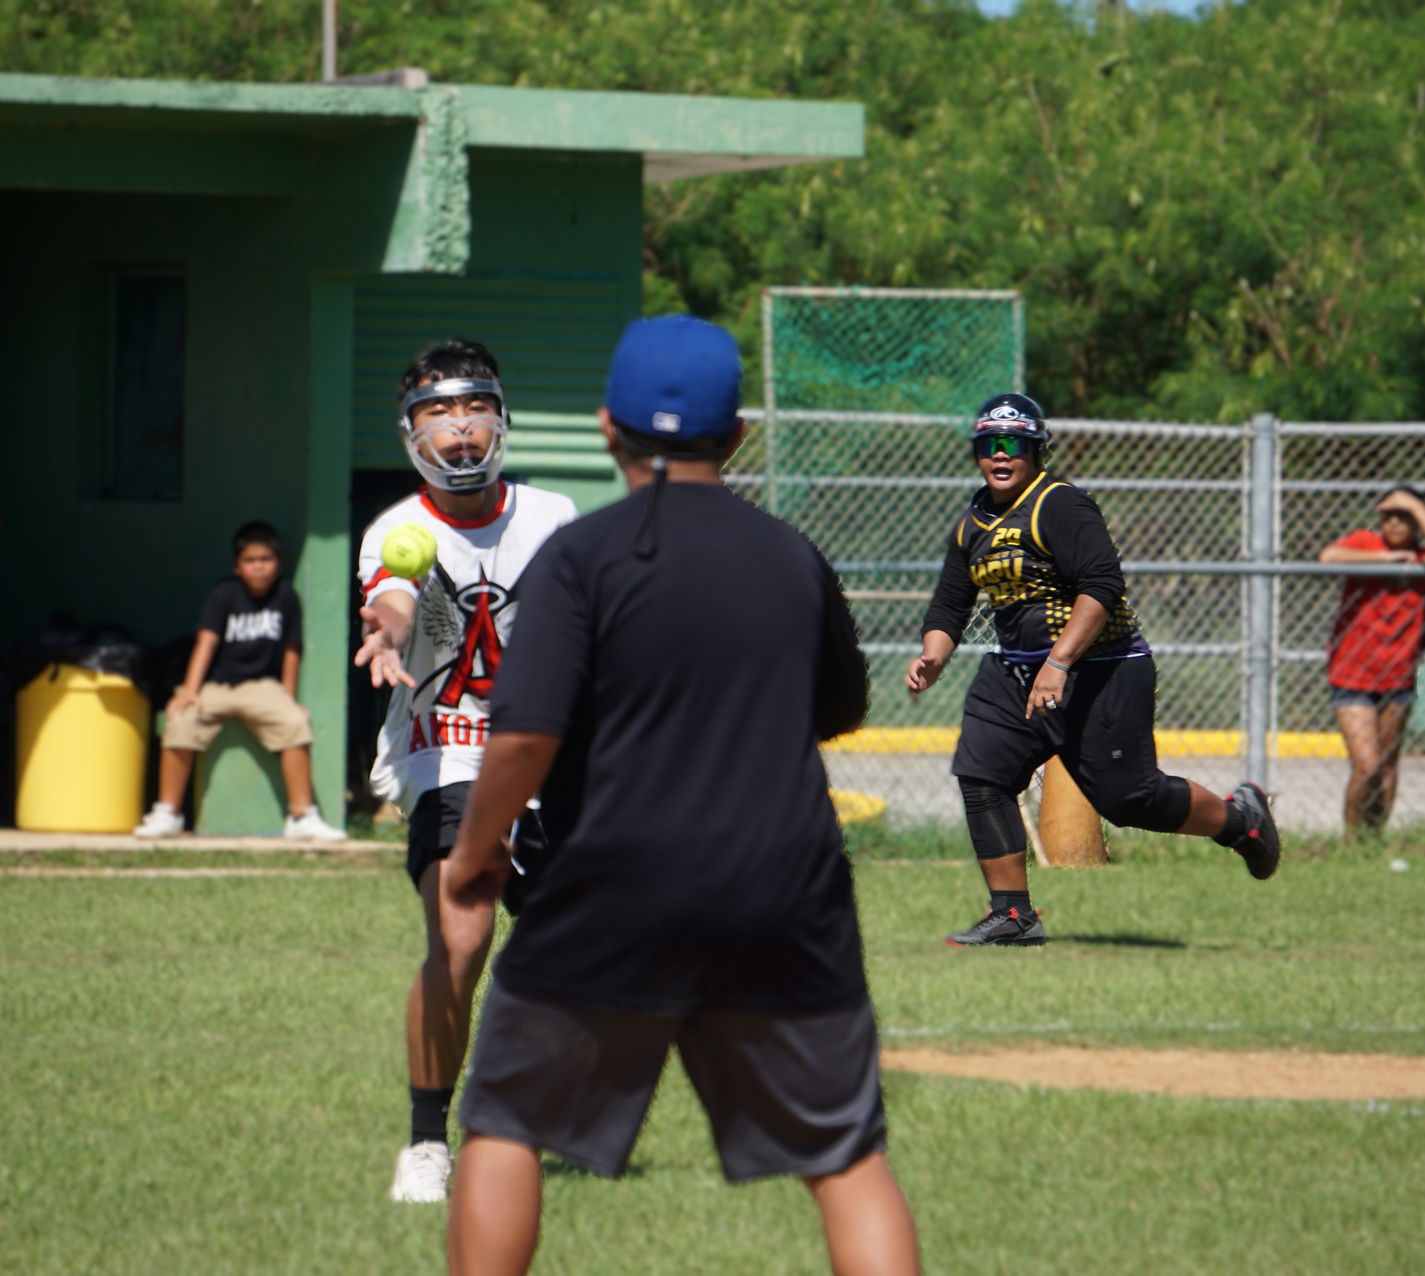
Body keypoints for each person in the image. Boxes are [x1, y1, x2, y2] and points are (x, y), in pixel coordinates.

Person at [440, 316, 919, 1275]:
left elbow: (527, 735)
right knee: (845, 1154)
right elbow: (837, 709)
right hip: (783, 889)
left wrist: (473, 851)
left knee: (503, 1120)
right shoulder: (792, 558)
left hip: (611, 887)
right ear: (737, 435)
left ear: (608, 428)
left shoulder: (581, 558)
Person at [905, 393, 1281, 948]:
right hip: (1015, 673)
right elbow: (949, 606)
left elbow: (1102, 586)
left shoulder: (1059, 504)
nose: (1000, 455)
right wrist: (933, 654)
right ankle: (1013, 917)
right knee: (982, 775)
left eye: (1013, 444)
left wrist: (1059, 662)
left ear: (1036, 449)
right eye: (989, 445)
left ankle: (1239, 820)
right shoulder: (972, 522)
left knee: (1129, 799)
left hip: (1101, 668)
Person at [352, 338, 577, 1204]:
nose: (459, 428)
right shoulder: (397, 530)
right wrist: (386, 629)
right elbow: (395, 597)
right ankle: (424, 1141)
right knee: (463, 934)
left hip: (547, 754)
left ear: (501, 419)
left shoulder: (554, 517)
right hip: (444, 752)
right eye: (437, 413)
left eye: (473, 408)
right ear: (411, 433)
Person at [133, 521, 344, 841]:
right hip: (217, 686)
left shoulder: (286, 595)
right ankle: (169, 812)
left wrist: (289, 696)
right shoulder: (224, 593)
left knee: (293, 723)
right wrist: (190, 690)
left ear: (279, 563)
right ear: (237, 565)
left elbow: (291, 651)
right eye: (250, 560)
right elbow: (206, 642)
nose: (258, 568)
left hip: (261, 687)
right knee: (180, 719)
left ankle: (302, 816)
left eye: (266, 560)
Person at [1319, 484, 1425, 840]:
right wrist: (1387, 560)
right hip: (1351, 673)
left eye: (1404, 516)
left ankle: (1374, 841)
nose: (1394, 523)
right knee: (1368, 765)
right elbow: (1329, 556)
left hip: (1399, 676)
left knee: (1388, 767)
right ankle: (1351, 843)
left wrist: (1416, 507)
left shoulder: (1422, 556)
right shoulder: (1366, 543)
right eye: (1388, 515)